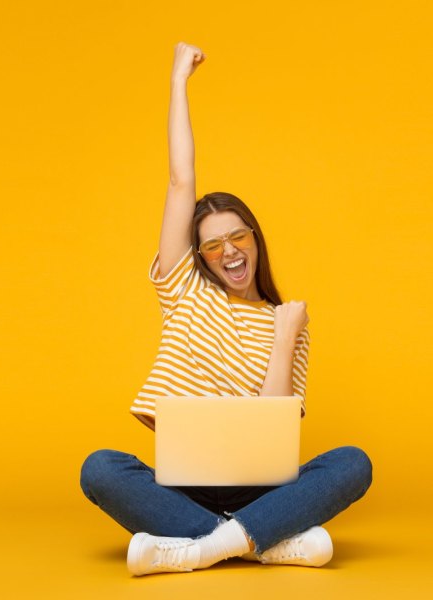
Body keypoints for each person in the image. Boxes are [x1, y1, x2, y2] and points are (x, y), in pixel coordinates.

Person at [80, 42, 372, 577]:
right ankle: (264, 540)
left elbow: (273, 427)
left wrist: (285, 336)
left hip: (262, 485)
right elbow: (179, 182)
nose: (228, 251)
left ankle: (197, 549)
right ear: (200, 258)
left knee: (353, 464)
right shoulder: (185, 290)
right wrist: (177, 83)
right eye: (213, 246)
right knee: (100, 469)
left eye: (237, 237)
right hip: (182, 487)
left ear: (255, 240)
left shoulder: (287, 322)